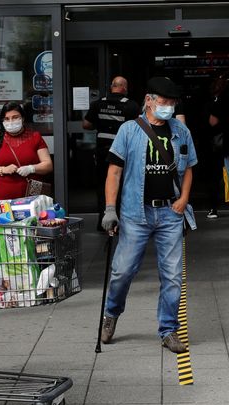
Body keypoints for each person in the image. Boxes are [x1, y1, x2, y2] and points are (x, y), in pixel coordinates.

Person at [100, 77, 197, 354]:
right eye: (164, 102)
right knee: (122, 272)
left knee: (173, 276)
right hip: (135, 213)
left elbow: (188, 167)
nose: (168, 107)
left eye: (172, 103)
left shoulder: (181, 132)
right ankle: (111, 314)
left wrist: (183, 200)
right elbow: (114, 172)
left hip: (170, 213)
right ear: (149, 100)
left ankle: (168, 330)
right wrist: (110, 209)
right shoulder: (129, 131)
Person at [83, 76, 141, 227]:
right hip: (123, 152)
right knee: (123, 184)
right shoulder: (131, 106)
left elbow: (86, 124)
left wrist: (101, 124)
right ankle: (122, 221)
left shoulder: (97, 104)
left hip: (103, 151)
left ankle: (103, 222)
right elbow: (140, 128)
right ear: (124, 88)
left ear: (112, 87)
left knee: (103, 185)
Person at [0, 101, 53, 201]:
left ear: (22, 118)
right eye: (7, 119)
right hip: (2, 199)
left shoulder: (35, 137)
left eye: (15, 117)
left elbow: (48, 165)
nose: (11, 121)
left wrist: (31, 168)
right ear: (2, 121)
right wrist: (3, 170)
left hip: (31, 199)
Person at [208, 72, 229, 219]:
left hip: (222, 142)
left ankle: (213, 208)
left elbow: (212, 122)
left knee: (215, 176)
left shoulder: (219, 101)